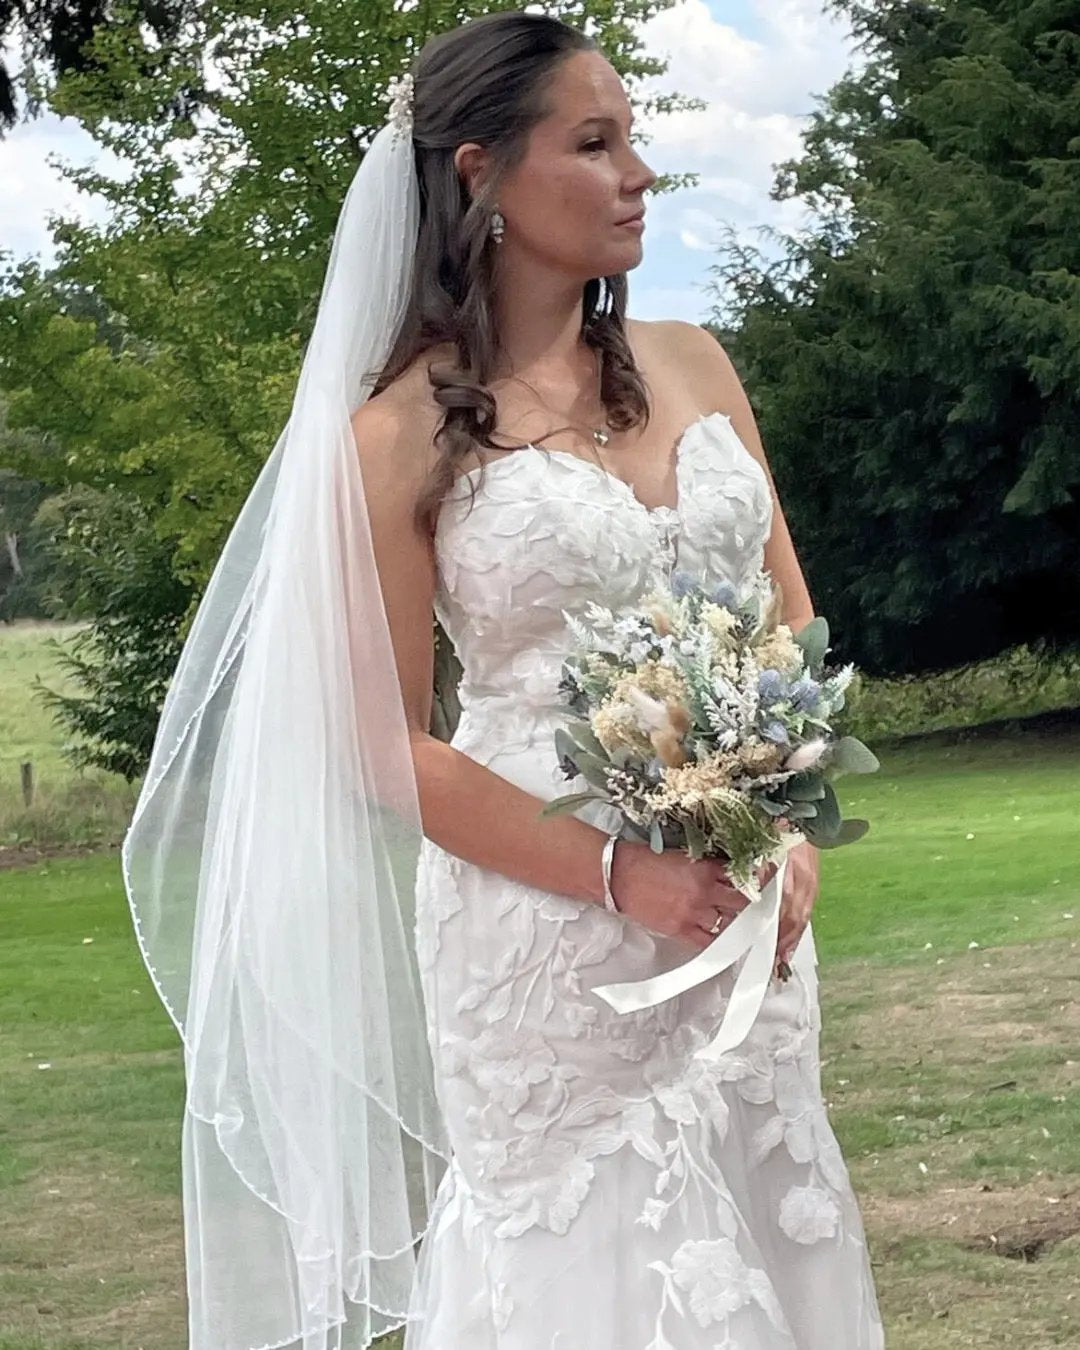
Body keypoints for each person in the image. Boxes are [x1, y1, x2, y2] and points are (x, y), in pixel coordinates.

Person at [121, 9, 885, 1350]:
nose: (637, 173)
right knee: (590, 1248)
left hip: (738, 907)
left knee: (765, 1195)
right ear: (479, 173)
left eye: (635, 139)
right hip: (542, 934)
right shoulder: (394, 435)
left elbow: (786, 622)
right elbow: (379, 745)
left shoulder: (699, 364)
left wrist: (787, 826)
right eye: (593, 144)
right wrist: (618, 872)